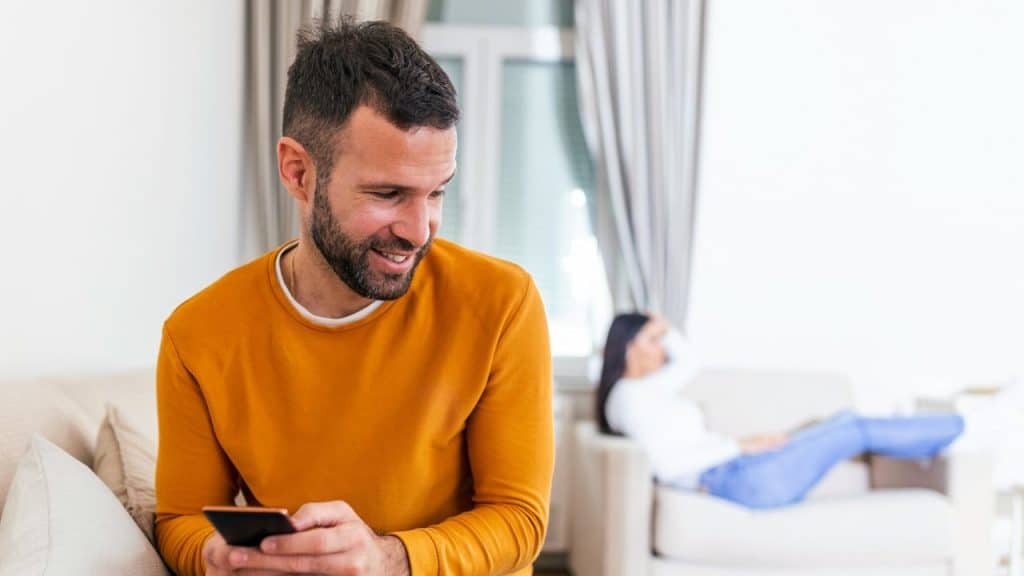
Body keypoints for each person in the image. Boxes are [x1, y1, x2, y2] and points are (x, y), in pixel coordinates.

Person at [154, 19, 553, 576]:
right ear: (298, 172)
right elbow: (178, 519)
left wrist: (386, 558)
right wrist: (215, 555)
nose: (420, 230)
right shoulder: (197, 335)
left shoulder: (503, 303)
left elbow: (520, 520)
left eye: (436, 192)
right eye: (389, 194)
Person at [596, 313, 964, 509]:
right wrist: (740, 446)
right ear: (629, 348)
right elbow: (668, 464)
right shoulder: (629, 399)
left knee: (847, 424)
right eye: (653, 341)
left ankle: (952, 433)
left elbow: (689, 362)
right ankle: (965, 428)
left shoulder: (644, 390)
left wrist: (663, 326)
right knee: (853, 428)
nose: (662, 349)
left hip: (738, 469)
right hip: (735, 477)